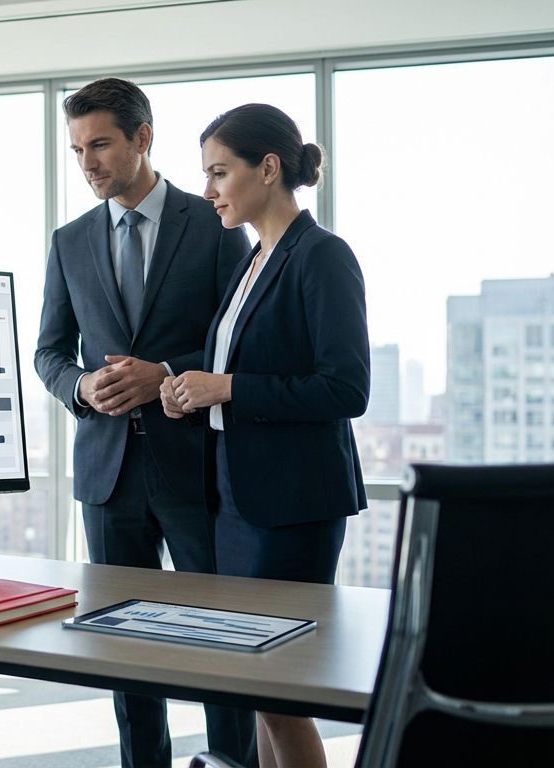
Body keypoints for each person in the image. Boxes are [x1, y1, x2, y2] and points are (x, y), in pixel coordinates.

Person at [34, 78, 256, 768]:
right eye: (76, 149)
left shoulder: (217, 224)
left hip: (194, 468)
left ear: (142, 138)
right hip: (107, 476)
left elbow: (240, 344)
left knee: (221, 644)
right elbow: (48, 352)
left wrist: (162, 372)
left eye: (99, 143)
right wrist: (81, 387)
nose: (88, 161)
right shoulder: (69, 241)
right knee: (124, 653)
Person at [161, 103, 370, 768]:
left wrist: (227, 388)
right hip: (233, 500)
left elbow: (346, 388)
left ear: (269, 168)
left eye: (220, 172)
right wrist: (190, 388)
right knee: (256, 686)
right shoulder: (254, 260)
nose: (208, 190)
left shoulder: (323, 256)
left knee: (281, 691)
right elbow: (239, 370)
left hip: (291, 507)